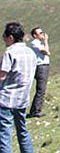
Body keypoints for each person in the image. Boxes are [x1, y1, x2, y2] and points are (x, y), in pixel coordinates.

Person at [0, 22, 37, 153]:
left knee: (4, 134)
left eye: (4, 36)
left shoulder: (9, 53)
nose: (3, 38)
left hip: (6, 99)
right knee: (22, 130)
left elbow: (2, 75)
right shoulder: (31, 52)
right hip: (22, 99)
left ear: (10, 37)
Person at [28, 27, 50, 118]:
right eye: (40, 33)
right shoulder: (35, 43)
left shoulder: (39, 43)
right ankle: (35, 111)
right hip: (40, 67)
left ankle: (36, 109)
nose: (42, 34)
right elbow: (46, 52)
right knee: (41, 89)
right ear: (35, 35)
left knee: (42, 89)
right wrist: (46, 41)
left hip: (44, 66)